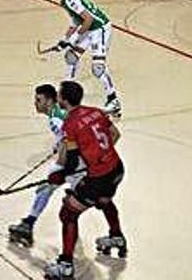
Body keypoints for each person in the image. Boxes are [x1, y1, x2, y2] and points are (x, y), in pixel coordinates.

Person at [43, 81, 126, 280]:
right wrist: (97, 157)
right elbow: (115, 134)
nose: (58, 97)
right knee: (105, 200)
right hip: (116, 168)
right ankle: (117, 238)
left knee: (68, 214)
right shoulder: (96, 112)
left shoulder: (70, 124)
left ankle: (65, 266)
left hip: (98, 178)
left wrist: (60, 175)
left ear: (63, 99)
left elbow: (71, 161)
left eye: (59, 95)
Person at [7, 84, 85, 247]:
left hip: (75, 162)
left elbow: (67, 139)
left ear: (49, 101)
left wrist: (60, 163)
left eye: (39, 100)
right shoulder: (59, 113)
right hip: (81, 160)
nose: (35, 103)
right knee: (74, 200)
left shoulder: (55, 118)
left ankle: (28, 225)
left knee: (46, 188)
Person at [48, 0, 122, 116]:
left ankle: (114, 101)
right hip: (89, 29)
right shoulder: (65, 0)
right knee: (71, 57)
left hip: (99, 29)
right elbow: (75, 22)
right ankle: (67, 95)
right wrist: (64, 40)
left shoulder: (70, 0)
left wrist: (74, 38)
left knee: (98, 68)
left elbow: (89, 19)